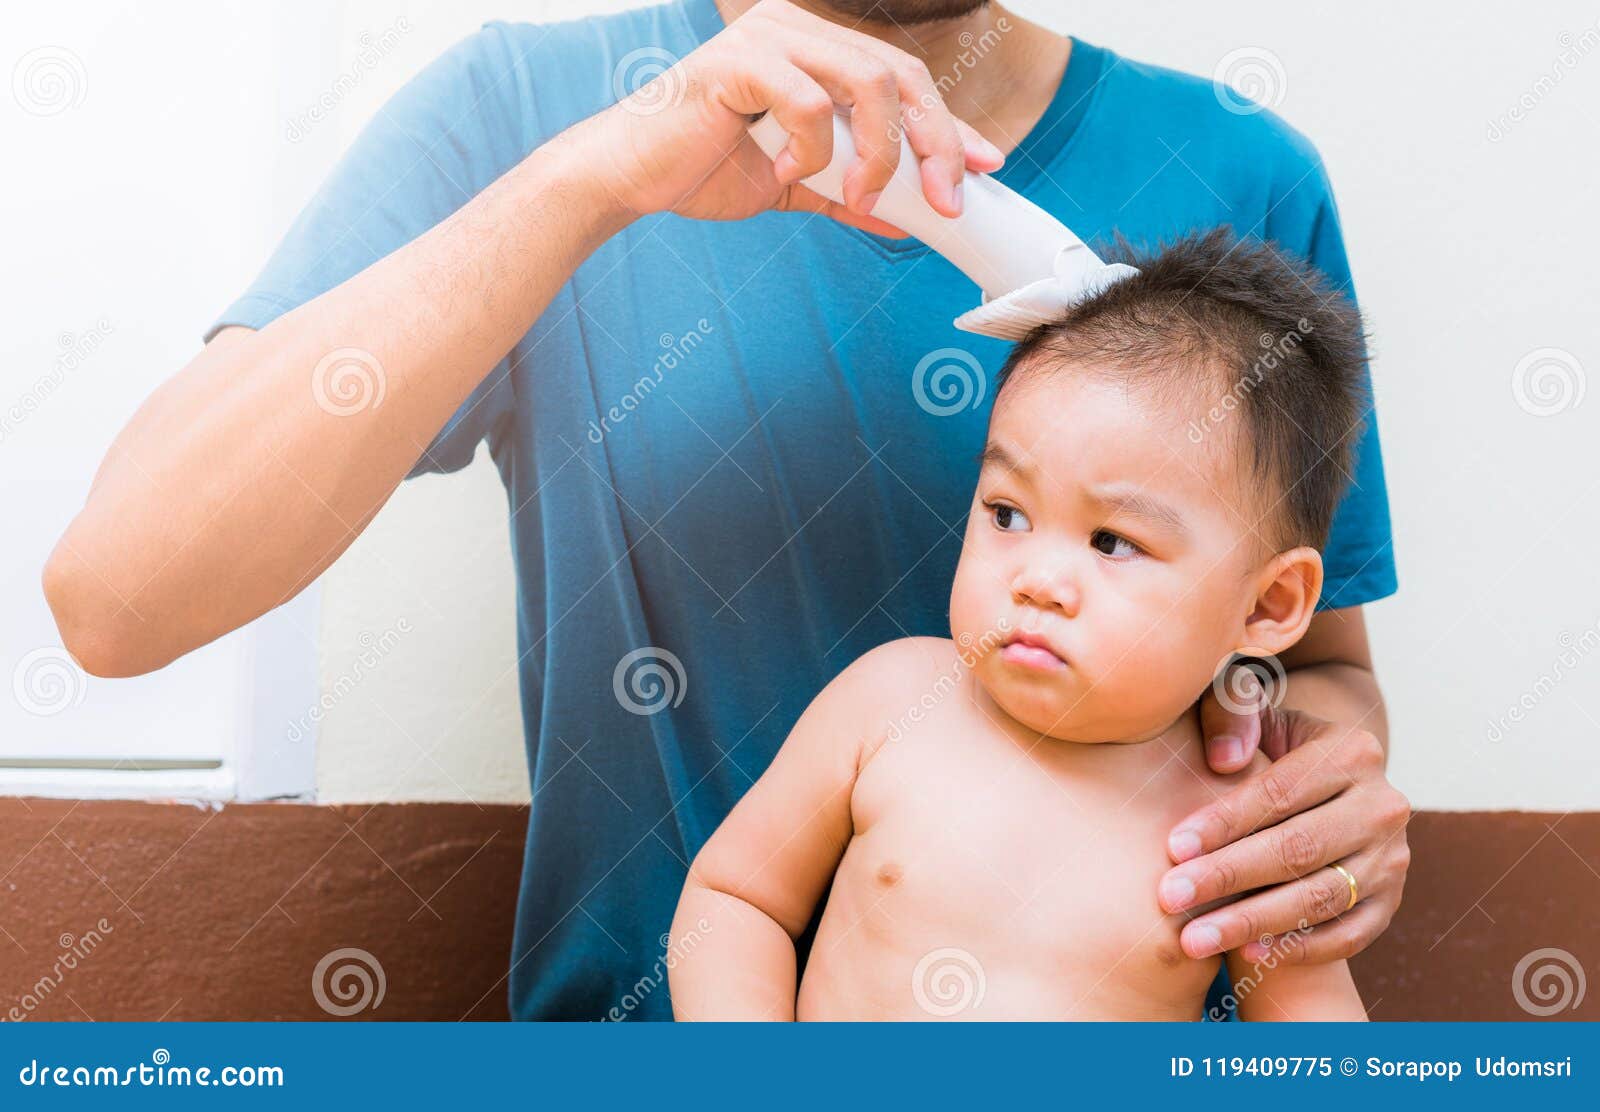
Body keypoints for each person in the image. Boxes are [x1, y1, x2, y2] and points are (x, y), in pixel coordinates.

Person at [43, 0, 1409, 1020]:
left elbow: (1317, 676)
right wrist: (596, 182)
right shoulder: (533, 107)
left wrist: (1321, 814)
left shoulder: (1239, 171)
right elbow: (120, 594)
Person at [670, 230, 1370, 1021]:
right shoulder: (892, 702)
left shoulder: (1244, 823)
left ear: (1267, 606)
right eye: (1007, 513)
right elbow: (737, 898)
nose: (1038, 581)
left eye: (1113, 542)